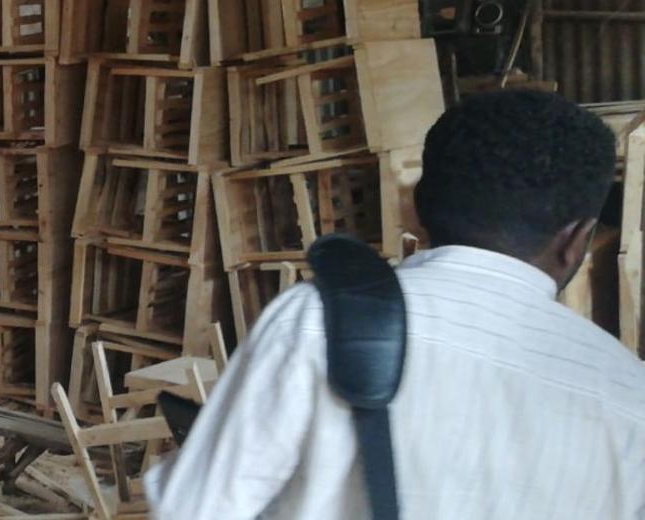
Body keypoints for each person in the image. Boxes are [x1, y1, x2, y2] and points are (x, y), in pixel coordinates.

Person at [144, 90, 645, 518]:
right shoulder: (628, 395)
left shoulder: (318, 322)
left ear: (415, 205)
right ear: (576, 241)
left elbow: (194, 508)